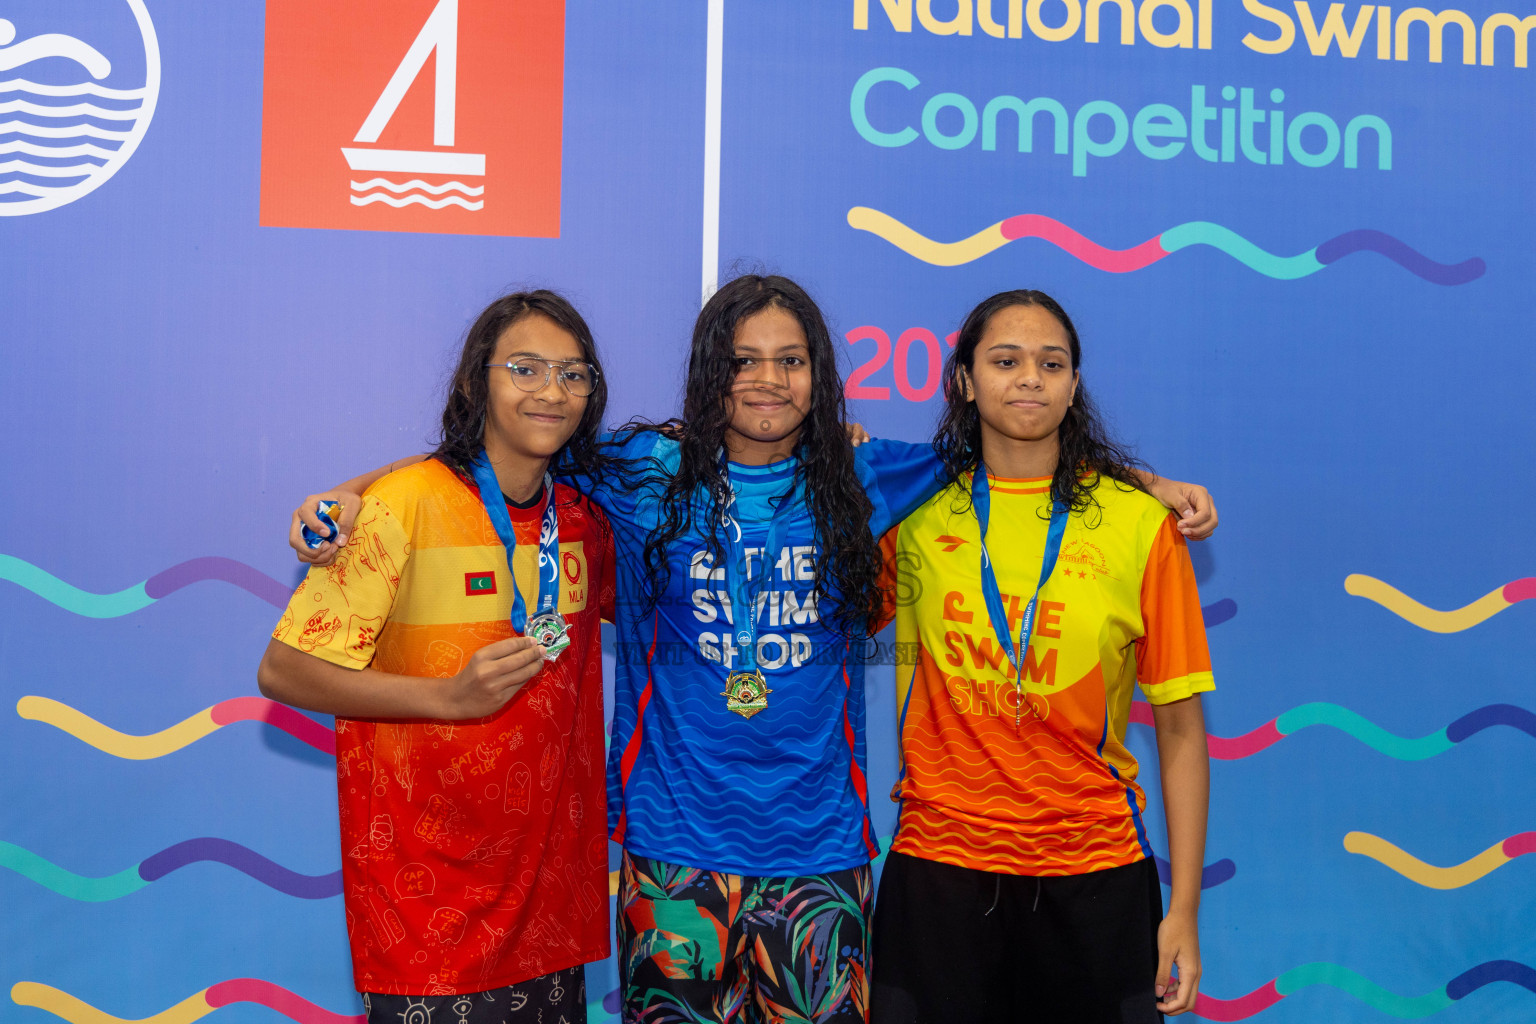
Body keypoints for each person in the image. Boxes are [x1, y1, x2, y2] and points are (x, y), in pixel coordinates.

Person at [287, 275, 1217, 1023]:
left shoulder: (861, 475)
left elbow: (1015, 446)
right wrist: (345, 492)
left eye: (790, 360)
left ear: (819, 376)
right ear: (708, 373)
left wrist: (1152, 482)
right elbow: (494, 454)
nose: (768, 380)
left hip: (820, 860)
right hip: (673, 857)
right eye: (744, 361)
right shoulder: (643, 470)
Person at [258, 291, 616, 1023]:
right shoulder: (400, 507)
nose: (552, 390)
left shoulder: (582, 520)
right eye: (526, 368)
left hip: (551, 913)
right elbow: (284, 670)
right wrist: (448, 699)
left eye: (574, 374)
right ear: (474, 381)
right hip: (429, 921)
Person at [869, 290, 1213, 1024]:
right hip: (939, 871)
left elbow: (1181, 729)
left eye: (1051, 363)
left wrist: (1183, 910)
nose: (1030, 377)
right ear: (962, 380)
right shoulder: (911, 512)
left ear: (1074, 385)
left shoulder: (1141, 525)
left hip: (1095, 879)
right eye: (1005, 360)